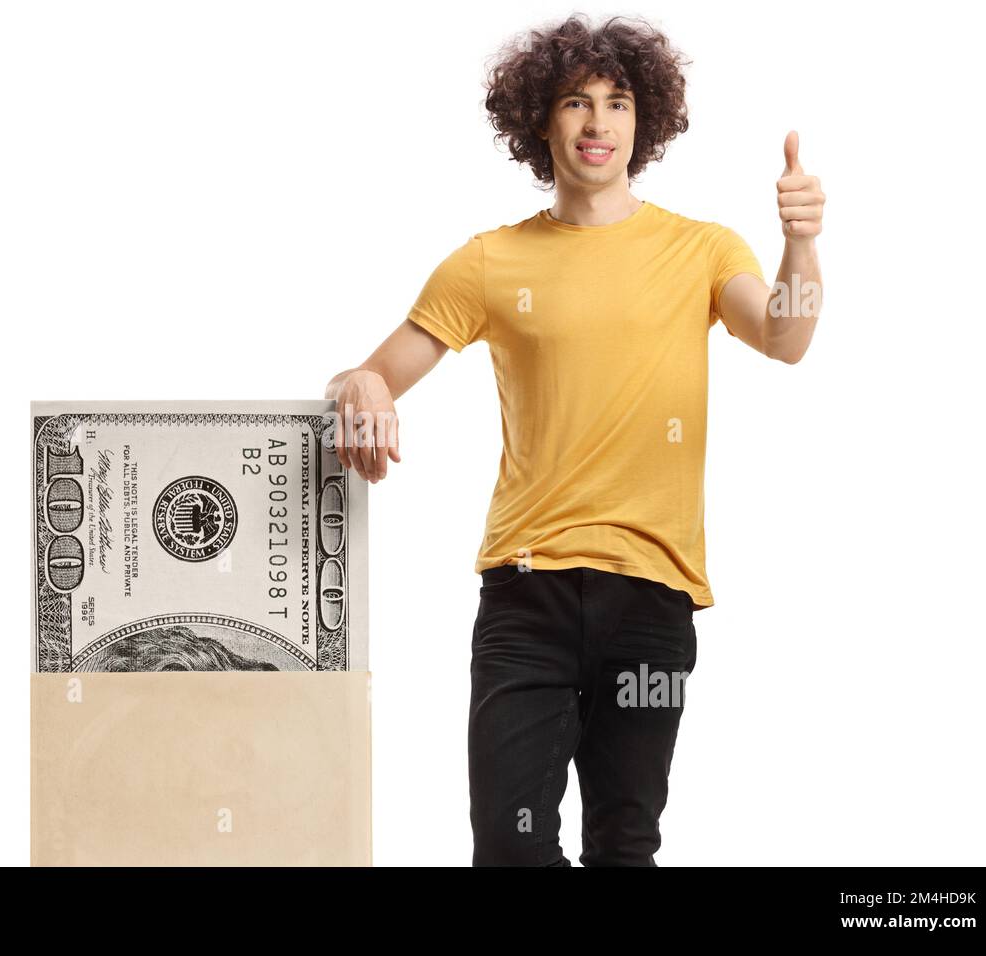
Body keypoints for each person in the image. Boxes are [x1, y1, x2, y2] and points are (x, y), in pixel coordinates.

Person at [323, 12, 825, 866]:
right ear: (539, 121)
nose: (599, 124)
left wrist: (801, 244)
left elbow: (784, 338)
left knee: (624, 847)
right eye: (575, 102)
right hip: (527, 597)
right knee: (508, 848)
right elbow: (361, 379)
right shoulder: (488, 263)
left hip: (654, 597)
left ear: (646, 120)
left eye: (619, 103)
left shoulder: (701, 249)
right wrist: (359, 384)